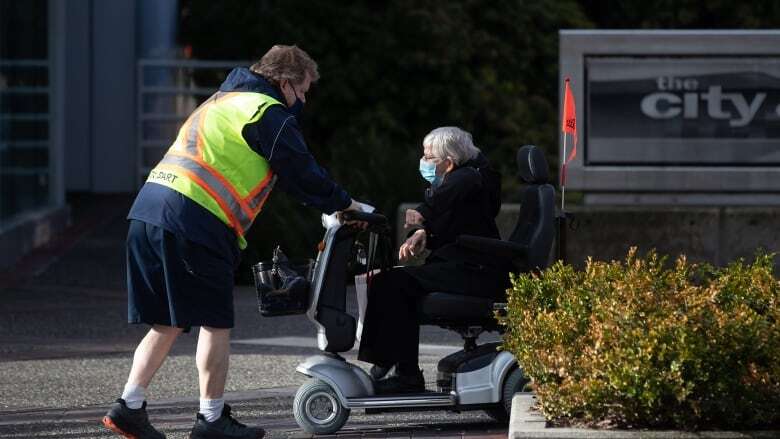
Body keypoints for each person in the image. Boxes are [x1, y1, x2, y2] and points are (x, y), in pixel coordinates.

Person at [102, 45, 362, 439]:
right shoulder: (266, 112)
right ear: (286, 82)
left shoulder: (223, 100)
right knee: (215, 322)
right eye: (304, 90)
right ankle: (211, 420)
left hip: (149, 210)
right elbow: (301, 172)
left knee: (167, 322)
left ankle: (129, 406)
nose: (304, 100)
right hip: (196, 220)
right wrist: (347, 205)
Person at [357, 126, 511, 394]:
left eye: (430, 158)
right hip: (468, 266)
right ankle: (396, 366)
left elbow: (456, 188)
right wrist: (423, 233)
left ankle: (395, 368)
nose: (423, 162)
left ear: (449, 163)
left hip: (474, 270)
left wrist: (422, 213)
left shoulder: (469, 178)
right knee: (395, 282)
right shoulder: (474, 177)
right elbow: (454, 219)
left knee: (390, 282)